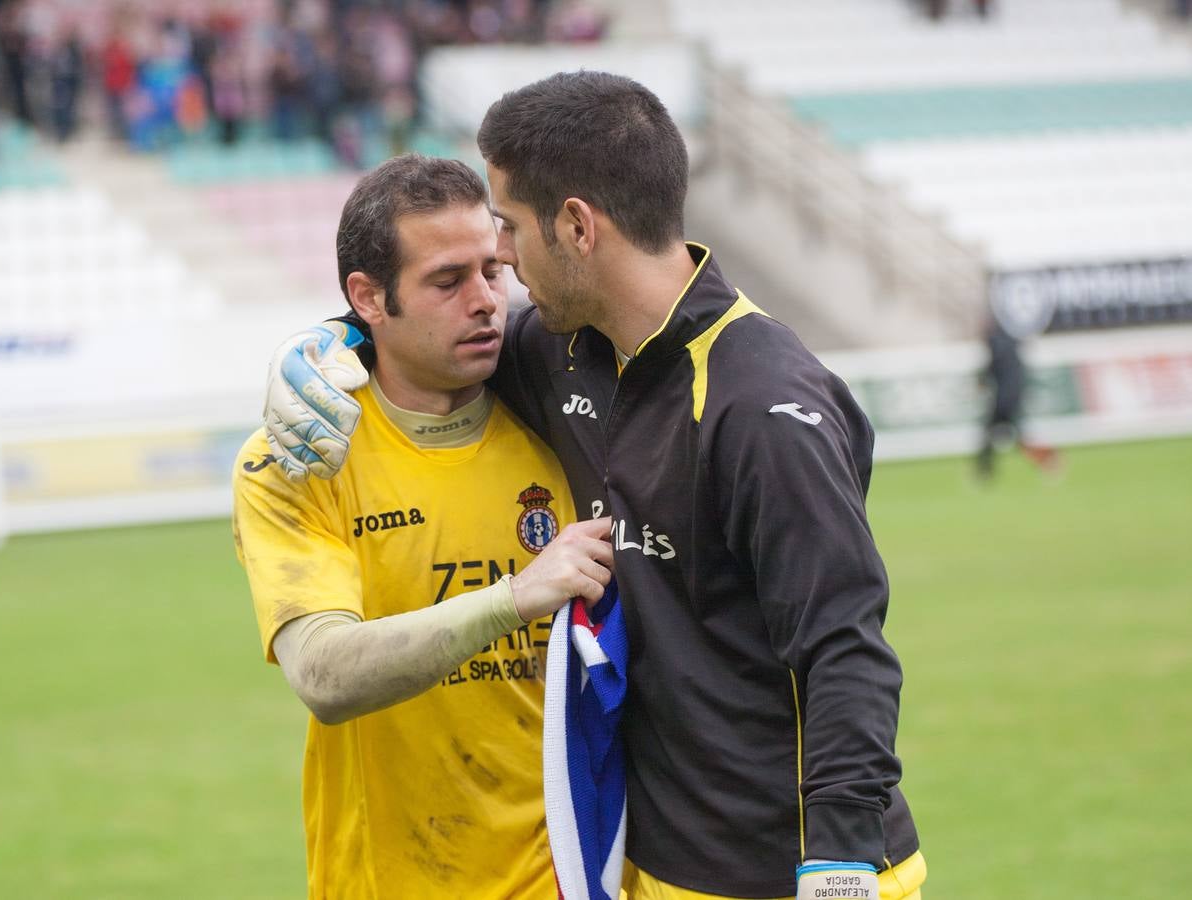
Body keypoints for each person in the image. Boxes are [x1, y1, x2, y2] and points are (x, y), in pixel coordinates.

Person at [262, 73, 928, 900]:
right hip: (648, 866)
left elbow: (844, 645)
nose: (501, 262)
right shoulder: (562, 349)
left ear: (575, 225)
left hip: (789, 872)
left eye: (507, 228)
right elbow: (414, 339)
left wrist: (842, 864)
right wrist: (329, 345)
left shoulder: (760, 401)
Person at [231, 153, 615, 899]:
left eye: (492, 272)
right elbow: (324, 674)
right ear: (367, 298)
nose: (485, 302)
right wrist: (512, 599)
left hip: (569, 878)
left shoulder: (562, 421)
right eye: (447, 281)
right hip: (389, 879)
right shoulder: (300, 458)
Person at [976, 317, 1061, 481]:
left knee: (1002, 436)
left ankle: (985, 472)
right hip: (1013, 396)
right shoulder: (1012, 342)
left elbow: (994, 369)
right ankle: (1048, 461)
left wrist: (982, 379)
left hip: (1005, 399)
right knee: (1015, 437)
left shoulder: (997, 344)